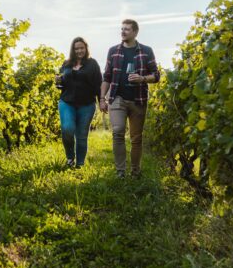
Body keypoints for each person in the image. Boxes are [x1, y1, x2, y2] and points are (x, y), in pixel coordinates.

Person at [99, 19, 160, 178]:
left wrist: (142, 79)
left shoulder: (146, 51)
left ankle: (135, 171)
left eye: (126, 29)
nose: (123, 32)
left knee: (136, 138)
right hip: (117, 98)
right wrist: (102, 98)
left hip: (138, 100)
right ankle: (120, 172)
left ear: (135, 32)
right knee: (118, 131)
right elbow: (106, 77)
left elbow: (156, 75)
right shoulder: (113, 51)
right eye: (122, 29)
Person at [55, 37, 102, 168]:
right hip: (67, 102)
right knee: (67, 129)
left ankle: (80, 165)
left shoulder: (92, 64)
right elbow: (61, 83)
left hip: (86, 104)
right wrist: (58, 81)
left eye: (81, 48)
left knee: (81, 136)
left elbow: (99, 84)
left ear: (86, 48)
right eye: (76, 48)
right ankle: (70, 158)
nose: (79, 50)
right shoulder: (66, 64)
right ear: (73, 50)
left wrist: (101, 100)